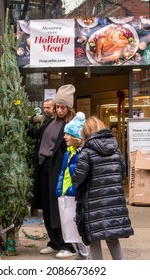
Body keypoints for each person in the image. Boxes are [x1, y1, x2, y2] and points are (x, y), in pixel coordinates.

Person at [72, 116, 133, 260]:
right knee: (112, 238)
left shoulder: (86, 152)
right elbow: (122, 174)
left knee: (95, 237)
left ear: (86, 132)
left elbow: (78, 178)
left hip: (93, 202)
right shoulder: (115, 149)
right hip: (114, 200)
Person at [33, 84, 77, 258]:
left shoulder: (72, 125)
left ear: (69, 108)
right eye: (57, 106)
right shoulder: (51, 122)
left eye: (62, 107)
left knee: (61, 208)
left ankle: (68, 245)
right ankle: (54, 241)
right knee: (47, 207)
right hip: (45, 168)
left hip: (59, 170)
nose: (59, 110)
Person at [56, 112, 90, 260]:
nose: (65, 137)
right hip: (65, 194)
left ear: (77, 136)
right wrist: (59, 189)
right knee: (68, 227)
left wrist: (72, 190)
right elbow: (63, 173)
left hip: (73, 195)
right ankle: (80, 254)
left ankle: (84, 256)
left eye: (68, 134)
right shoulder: (68, 153)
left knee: (75, 227)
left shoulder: (82, 154)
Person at [26, 99, 55, 216]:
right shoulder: (47, 121)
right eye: (44, 107)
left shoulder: (54, 122)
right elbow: (38, 134)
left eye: (48, 107)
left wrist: (26, 126)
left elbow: (38, 134)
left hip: (48, 162)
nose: (46, 110)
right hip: (43, 161)